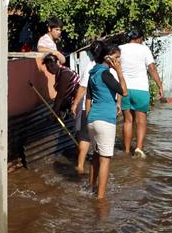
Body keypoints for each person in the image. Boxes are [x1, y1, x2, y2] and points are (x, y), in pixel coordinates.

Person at [86, 42, 128, 199]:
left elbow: (89, 98)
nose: (119, 61)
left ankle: (91, 189)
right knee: (105, 160)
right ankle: (100, 199)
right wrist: (120, 72)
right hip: (105, 121)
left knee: (96, 156)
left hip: (93, 119)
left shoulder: (93, 73)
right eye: (117, 58)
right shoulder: (106, 74)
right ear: (108, 58)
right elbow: (124, 91)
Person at [119, 29, 165, 158]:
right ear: (139, 38)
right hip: (141, 89)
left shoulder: (120, 49)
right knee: (141, 121)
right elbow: (151, 68)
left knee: (127, 121)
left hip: (124, 90)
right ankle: (138, 148)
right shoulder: (144, 49)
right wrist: (160, 86)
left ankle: (126, 151)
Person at [69, 41, 99, 174]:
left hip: (89, 107)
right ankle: (94, 166)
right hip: (103, 108)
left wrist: (75, 104)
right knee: (97, 138)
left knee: (85, 136)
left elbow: (83, 87)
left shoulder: (90, 66)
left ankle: (81, 165)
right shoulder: (110, 66)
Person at [42, 53, 79, 118]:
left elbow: (60, 97)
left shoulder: (64, 74)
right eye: (48, 67)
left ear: (58, 62)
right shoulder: (59, 73)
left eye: (52, 65)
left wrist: (53, 114)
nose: (50, 69)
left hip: (78, 103)